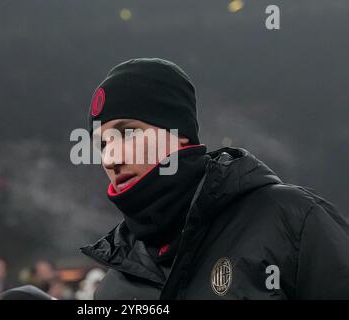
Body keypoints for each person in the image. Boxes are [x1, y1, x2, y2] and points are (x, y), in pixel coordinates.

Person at [79, 58, 349, 299]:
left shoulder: (291, 221)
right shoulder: (114, 289)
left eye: (127, 133)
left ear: (178, 133)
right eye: (102, 145)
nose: (110, 159)